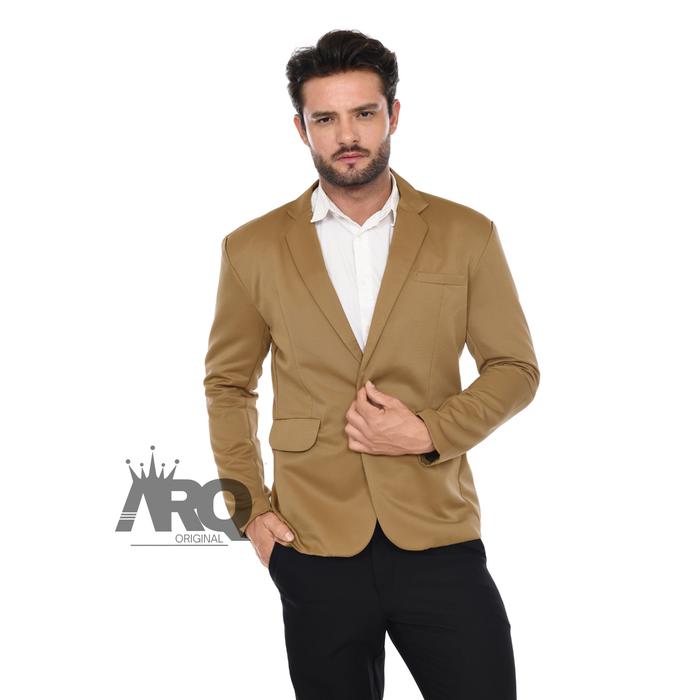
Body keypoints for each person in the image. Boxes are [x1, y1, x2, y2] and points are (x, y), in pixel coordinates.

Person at [203, 28, 540, 700]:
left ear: (394, 114)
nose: (347, 135)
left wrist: (429, 431)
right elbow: (228, 384)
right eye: (325, 119)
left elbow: (514, 367)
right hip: (312, 545)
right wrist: (250, 512)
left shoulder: (466, 234)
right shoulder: (252, 248)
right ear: (301, 128)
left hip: (437, 533)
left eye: (364, 112)